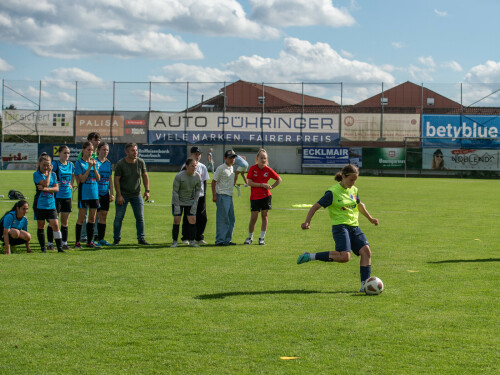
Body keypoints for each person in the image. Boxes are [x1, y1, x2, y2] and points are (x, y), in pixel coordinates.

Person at [296, 164, 379, 293]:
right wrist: (307, 222)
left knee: (366, 252)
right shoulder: (332, 192)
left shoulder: (354, 190)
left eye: (355, 180)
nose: (353, 182)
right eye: (351, 179)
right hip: (340, 227)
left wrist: (370, 218)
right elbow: (315, 206)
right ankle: (310, 256)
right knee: (344, 257)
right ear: (344, 177)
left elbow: (359, 205)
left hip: (354, 227)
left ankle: (364, 285)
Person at [113, 143, 150, 246]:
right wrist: (119, 195)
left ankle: (141, 239)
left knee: (140, 217)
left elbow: (145, 176)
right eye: (133, 151)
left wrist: (147, 190)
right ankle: (116, 239)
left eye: (136, 150)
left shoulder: (140, 162)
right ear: (127, 152)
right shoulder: (121, 164)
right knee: (119, 217)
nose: (135, 152)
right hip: (123, 195)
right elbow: (116, 180)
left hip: (136, 194)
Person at [243, 149, 282, 246]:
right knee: (253, 218)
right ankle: (250, 237)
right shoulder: (252, 168)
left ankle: (262, 238)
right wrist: (262, 185)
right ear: (257, 158)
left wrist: (271, 187)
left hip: (266, 197)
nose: (263, 160)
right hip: (254, 197)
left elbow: (279, 179)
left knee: (265, 216)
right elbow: (249, 183)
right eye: (261, 158)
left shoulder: (268, 170)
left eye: (265, 158)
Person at [33, 153, 65, 253]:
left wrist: (46, 189)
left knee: (55, 224)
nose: (46, 167)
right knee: (41, 225)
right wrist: (50, 173)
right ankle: (43, 248)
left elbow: (57, 188)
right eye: (44, 165)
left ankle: (60, 248)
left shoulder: (54, 175)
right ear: (39, 164)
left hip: (51, 204)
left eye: (48, 165)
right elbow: (46, 182)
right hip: (40, 204)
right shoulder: (36, 174)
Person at [47, 145, 75, 251]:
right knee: (53, 221)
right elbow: (48, 175)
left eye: (68, 153)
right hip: (57, 196)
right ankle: (50, 244)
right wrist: (53, 184)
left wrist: (71, 184)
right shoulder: (55, 164)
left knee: (65, 221)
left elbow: (73, 176)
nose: (67, 155)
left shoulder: (71, 165)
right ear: (59, 153)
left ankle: (64, 243)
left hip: (67, 196)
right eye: (65, 153)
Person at [180, 146, 209, 246]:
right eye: (195, 154)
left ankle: (199, 237)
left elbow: (204, 182)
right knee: (188, 217)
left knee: (202, 217)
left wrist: (204, 195)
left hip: (200, 195)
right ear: (191, 154)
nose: (197, 156)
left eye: (199, 154)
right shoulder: (186, 166)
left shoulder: (203, 167)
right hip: (189, 196)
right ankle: (186, 237)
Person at [74, 142, 101, 249]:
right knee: (81, 218)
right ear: (83, 150)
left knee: (92, 218)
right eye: (88, 150)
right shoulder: (79, 163)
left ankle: (90, 242)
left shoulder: (95, 162)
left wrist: (94, 167)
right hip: (84, 194)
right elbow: (82, 180)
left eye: (91, 150)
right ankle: (77, 242)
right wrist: (89, 167)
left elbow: (98, 179)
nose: (90, 152)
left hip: (94, 194)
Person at [171, 157, 202, 248]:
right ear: (187, 166)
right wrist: (176, 205)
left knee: (192, 220)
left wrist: (194, 204)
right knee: (177, 220)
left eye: (195, 166)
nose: (194, 167)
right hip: (178, 201)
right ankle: (174, 242)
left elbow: (197, 191)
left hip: (190, 201)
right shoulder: (179, 176)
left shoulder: (197, 176)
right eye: (192, 166)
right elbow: (175, 191)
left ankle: (192, 241)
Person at [211, 149, 237, 246]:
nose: (232, 159)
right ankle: (220, 240)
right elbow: (213, 182)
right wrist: (214, 195)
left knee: (231, 219)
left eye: (233, 157)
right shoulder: (221, 168)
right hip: (222, 195)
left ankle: (227, 240)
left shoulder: (231, 168)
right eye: (230, 158)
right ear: (225, 158)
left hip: (229, 196)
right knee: (223, 219)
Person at [95, 142, 114, 246]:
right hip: (96, 193)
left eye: (107, 150)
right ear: (98, 150)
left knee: (103, 216)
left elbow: (110, 179)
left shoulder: (108, 163)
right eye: (103, 150)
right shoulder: (94, 162)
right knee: (94, 216)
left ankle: (101, 238)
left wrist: (112, 192)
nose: (105, 152)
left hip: (105, 193)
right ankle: (93, 238)